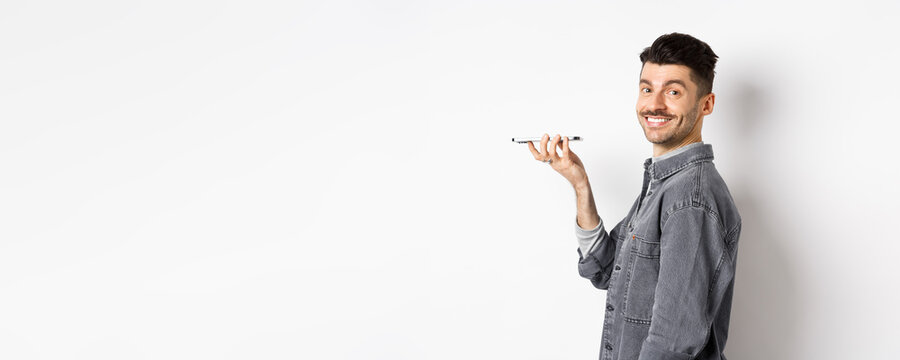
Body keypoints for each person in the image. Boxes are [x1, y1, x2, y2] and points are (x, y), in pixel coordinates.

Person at [525, 33, 742, 360]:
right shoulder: (664, 183)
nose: (654, 104)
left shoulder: (689, 198)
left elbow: (672, 343)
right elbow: (608, 271)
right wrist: (580, 184)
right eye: (646, 89)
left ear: (706, 104)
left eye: (673, 91)